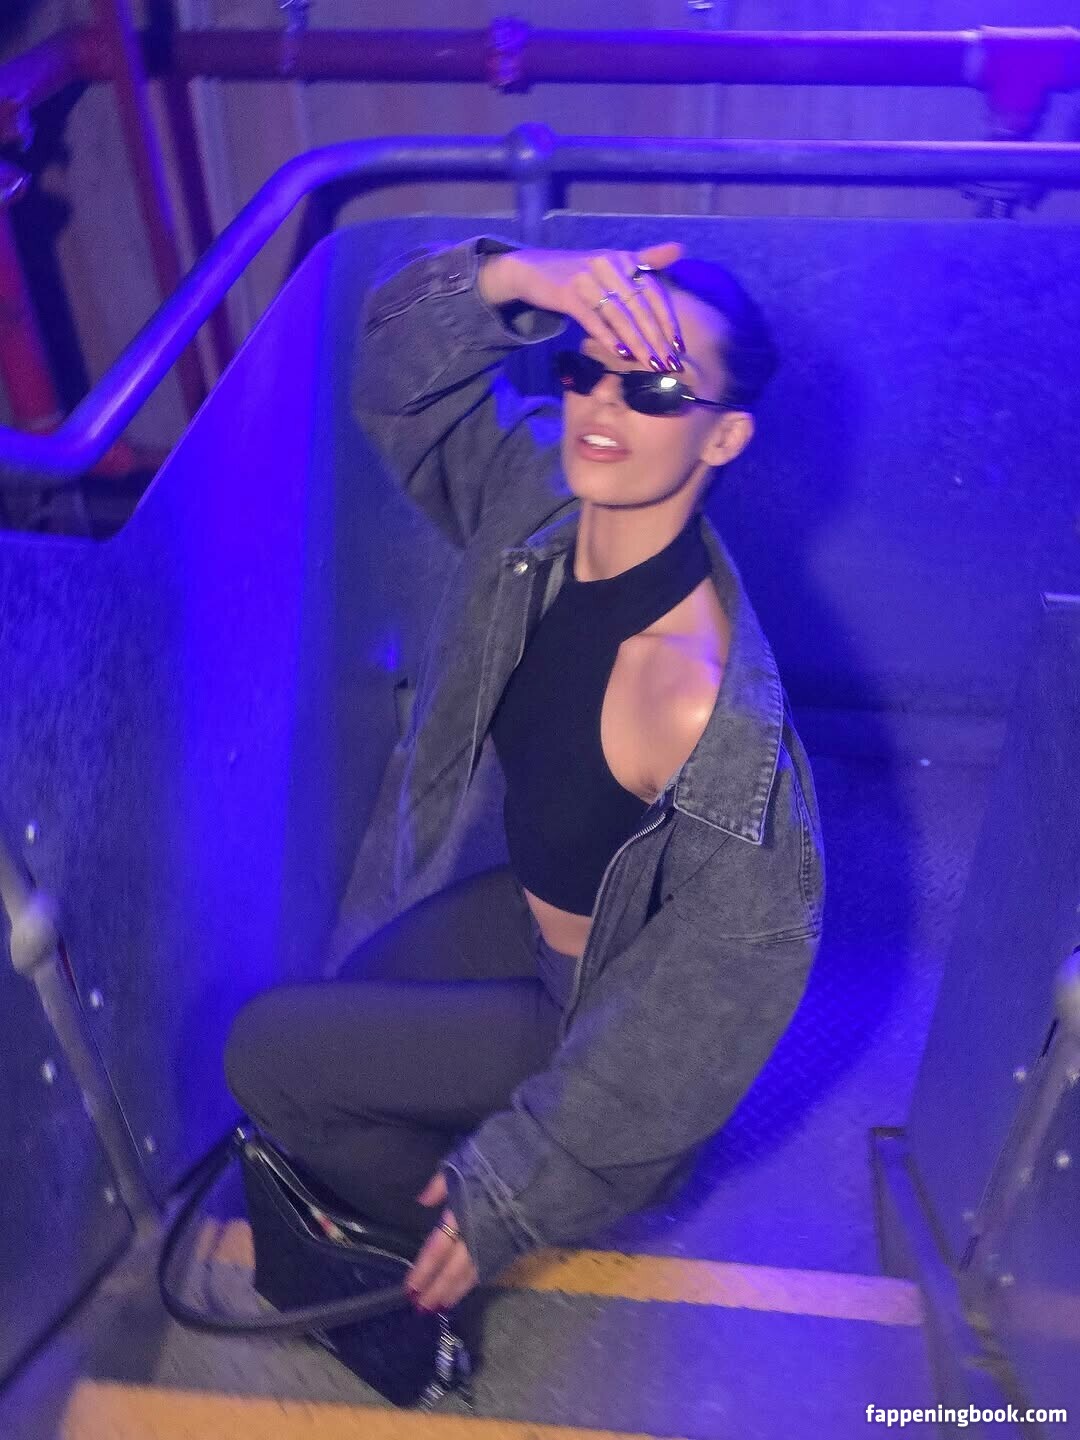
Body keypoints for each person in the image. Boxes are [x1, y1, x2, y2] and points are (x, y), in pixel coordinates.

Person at [224, 233, 825, 1360]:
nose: (601, 405)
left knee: (267, 1055)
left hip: (595, 1007)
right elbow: (394, 385)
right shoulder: (539, 502)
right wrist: (514, 279)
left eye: (654, 388)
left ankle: (440, 1248)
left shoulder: (696, 703)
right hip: (526, 912)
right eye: (582, 367)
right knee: (355, 994)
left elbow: (721, 999)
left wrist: (519, 1184)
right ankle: (439, 1181)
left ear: (724, 435)